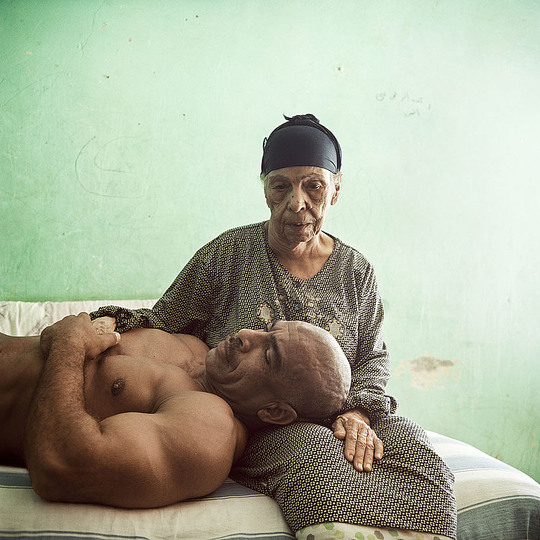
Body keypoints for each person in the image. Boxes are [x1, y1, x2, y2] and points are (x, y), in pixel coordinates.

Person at [91, 114, 457, 539]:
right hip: (260, 422)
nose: (296, 203)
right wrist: (104, 326)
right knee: (314, 456)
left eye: (313, 185)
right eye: (280, 185)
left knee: (416, 450)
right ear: (265, 187)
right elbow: (163, 318)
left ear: (336, 189)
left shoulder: (356, 271)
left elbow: (372, 358)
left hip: (342, 411)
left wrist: (359, 412)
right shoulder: (229, 253)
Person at [0, 313, 351, 508]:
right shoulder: (192, 346)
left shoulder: (208, 430)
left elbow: (61, 466)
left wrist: (68, 343)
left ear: (275, 413)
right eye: (266, 329)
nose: (245, 334)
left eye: (268, 354)